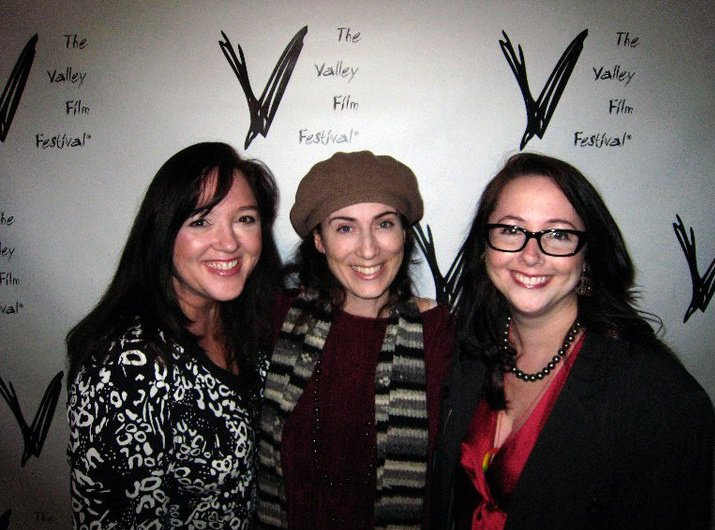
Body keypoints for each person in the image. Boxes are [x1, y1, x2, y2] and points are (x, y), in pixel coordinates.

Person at [430, 152, 714, 530]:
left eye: (559, 234)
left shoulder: (661, 402)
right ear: (486, 247)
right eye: (512, 230)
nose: (531, 256)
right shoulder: (466, 352)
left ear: (588, 255)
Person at [66, 142, 282, 529]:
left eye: (245, 219)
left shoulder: (244, 321)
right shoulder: (128, 368)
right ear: (163, 233)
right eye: (201, 221)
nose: (229, 243)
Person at [257, 151, 454, 529]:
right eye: (344, 228)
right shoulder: (277, 319)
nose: (368, 250)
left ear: (404, 233)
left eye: (384, 224)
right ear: (319, 240)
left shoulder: (441, 333)